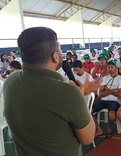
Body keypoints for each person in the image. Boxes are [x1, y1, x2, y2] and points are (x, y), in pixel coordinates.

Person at [3, 27, 96, 156]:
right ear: (55, 56)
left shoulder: (10, 81)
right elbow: (88, 138)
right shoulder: (68, 93)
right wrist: (80, 99)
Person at [92, 60, 121, 137]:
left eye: (112, 67)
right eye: (108, 67)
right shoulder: (104, 78)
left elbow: (120, 95)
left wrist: (107, 90)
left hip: (115, 101)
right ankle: (99, 129)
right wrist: (113, 90)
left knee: (112, 115)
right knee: (89, 111)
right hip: (104, 100)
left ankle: (109, 127)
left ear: (116, 68)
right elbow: (100, 94)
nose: (109, 69)